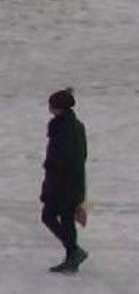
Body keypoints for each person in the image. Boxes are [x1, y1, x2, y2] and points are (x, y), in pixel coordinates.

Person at [40, 88, 88, 274]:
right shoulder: (74, 125)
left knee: (48, 216)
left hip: (62, 182)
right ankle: (72, 258)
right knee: (66, 219)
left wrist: (51, 165)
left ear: (59, 108)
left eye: (52, 105)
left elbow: (66, 157)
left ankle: (74, 251)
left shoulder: (64, 129)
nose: (50, 108)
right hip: (72, 181)